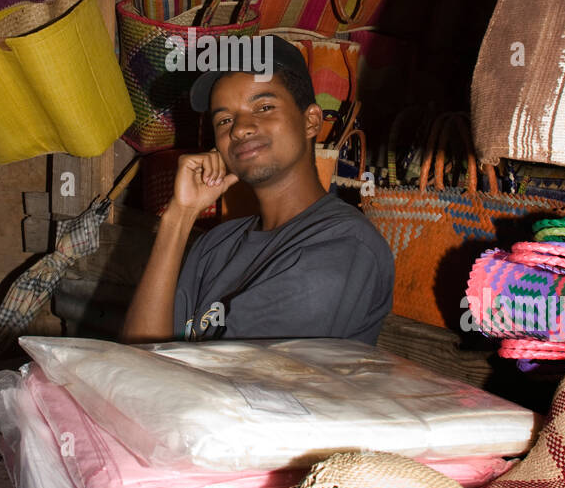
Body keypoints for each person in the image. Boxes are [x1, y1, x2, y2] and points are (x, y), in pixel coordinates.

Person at [121, 36, 394, 344]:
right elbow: (140, 354)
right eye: (224, 119)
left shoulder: (341, 247)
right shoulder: (216, 245)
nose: (239, 129)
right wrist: (178, 219)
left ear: (311, 121)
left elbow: (234, 385)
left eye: (264, 106)